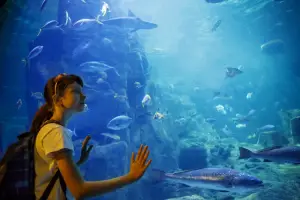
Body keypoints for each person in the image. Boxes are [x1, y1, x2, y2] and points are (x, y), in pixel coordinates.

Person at [31, 73, 152, 200]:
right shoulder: (56, 133)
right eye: (75, 92)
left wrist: (78, 162)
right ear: (58, 99)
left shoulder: (49, 128)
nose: (83, 96)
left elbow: (52, 176)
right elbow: (80, 190)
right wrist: (130, 177)